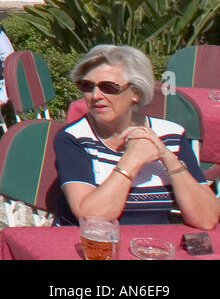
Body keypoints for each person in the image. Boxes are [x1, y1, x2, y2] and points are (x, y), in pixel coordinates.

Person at [54, 44, 218, 228]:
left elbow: (207, 219)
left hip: (152, 246)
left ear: (136, 93)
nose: (95, 95)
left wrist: (167, 157)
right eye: (87, 86)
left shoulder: (171, 135)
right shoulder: (73, 138)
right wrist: (132, 159)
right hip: (93, 246)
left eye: (108, 87)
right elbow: (93, 219)